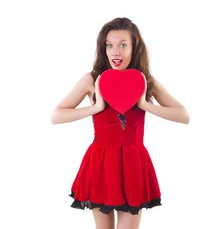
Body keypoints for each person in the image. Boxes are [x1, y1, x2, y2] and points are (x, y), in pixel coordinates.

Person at [51, 17, 190, 229]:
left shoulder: (144, 80)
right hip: (101, 162)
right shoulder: (93, 79)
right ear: (103, 48)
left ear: (134, 48)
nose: (115, 52)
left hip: (133, 162)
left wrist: (144, 104)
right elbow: (57, 115)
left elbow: (183, 115)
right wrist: (96, 107)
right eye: (109, 45)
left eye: (123, 45)